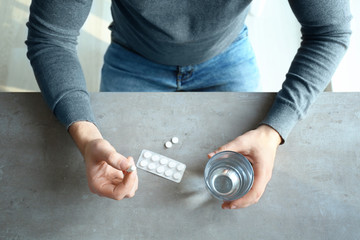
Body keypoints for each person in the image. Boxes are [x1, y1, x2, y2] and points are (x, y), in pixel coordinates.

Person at [26, 0, 351, 209]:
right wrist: (87, 137)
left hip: (228, 54)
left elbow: (330, 30)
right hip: (132, 57)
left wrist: (273, 132)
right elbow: (51, 37)